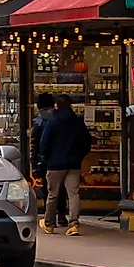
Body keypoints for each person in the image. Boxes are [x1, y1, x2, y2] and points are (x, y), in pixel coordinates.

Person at [33, 93, 94, 236]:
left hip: (55, 165)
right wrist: (79, 156)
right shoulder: (78, 122)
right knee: (73, 194)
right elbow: (87, 142)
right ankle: (74, 224)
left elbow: (44, 144)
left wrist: (46, 158)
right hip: (73, 164)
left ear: (56, 106)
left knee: (53, 194)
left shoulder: (52, 123)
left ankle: (49, 223)